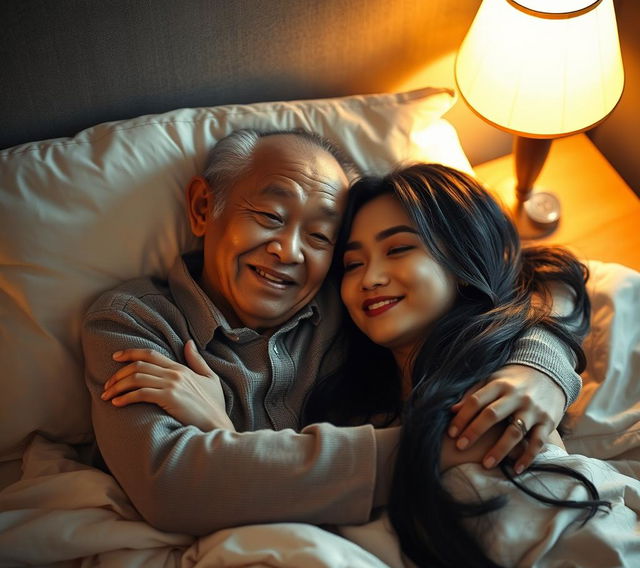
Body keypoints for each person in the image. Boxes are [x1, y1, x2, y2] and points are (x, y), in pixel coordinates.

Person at [82, 129, 584, 537]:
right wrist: (426, 450)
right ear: (200, 208)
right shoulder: (132, 321)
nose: (290, 251)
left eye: (321, 237)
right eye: (270, 217)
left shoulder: (348, 297)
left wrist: (540, 370)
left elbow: (533, 280)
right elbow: (171, 486)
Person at [308, 162, 611, 568]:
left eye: (399, 249)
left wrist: (543, 368)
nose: (370, 278)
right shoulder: (354, 408)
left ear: (461, 258)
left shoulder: (506, 354)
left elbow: (551, 273)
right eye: (353, 263)